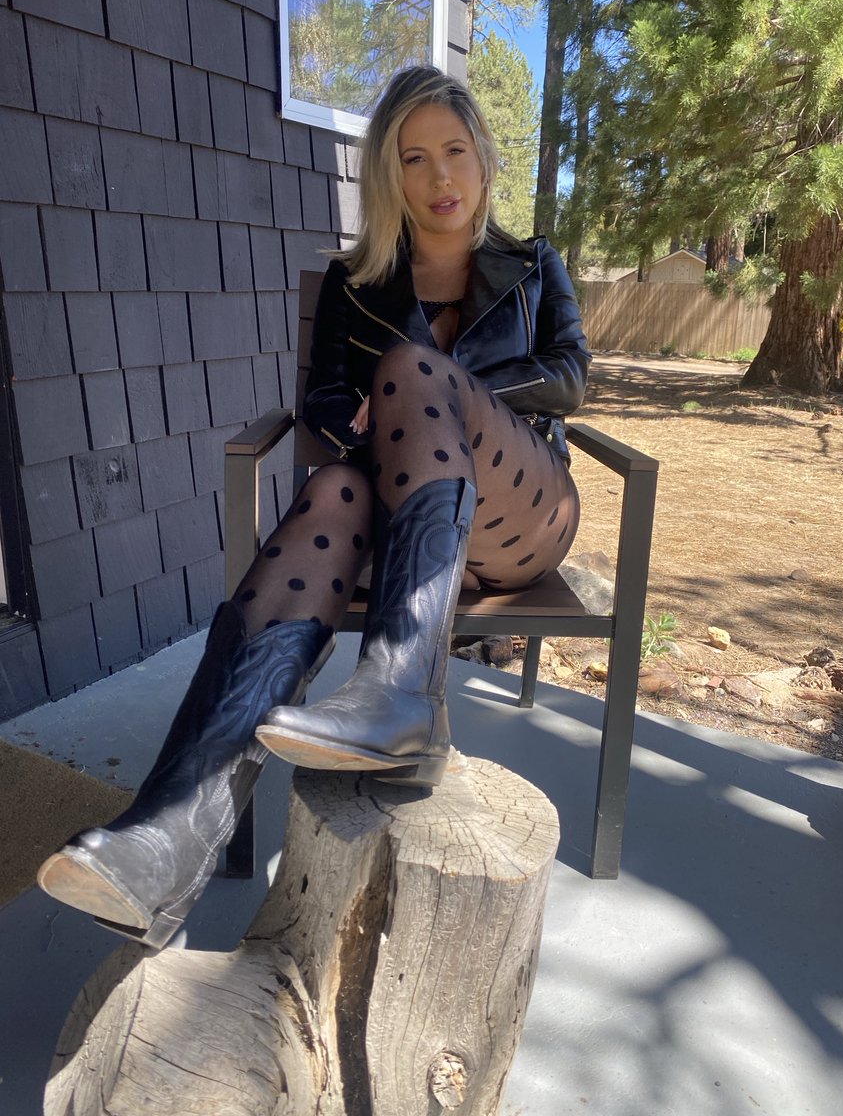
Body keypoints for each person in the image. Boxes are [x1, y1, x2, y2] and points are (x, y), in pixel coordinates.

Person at [37, 65, 590, 949]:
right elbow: (325, 401)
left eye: (454, 151)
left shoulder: (532, 266)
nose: (440, 177)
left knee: (411, 372)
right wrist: (373, 417)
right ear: (389, 175)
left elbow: (568, 376)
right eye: (413, 158)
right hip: (406, 523)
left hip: (521, 514)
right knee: (332, 486)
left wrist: (434, 391)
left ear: (484, 159)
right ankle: (169, 832)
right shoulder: (356, 281)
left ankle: (400, 693)